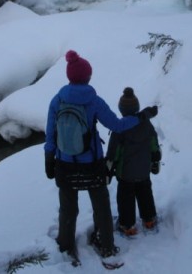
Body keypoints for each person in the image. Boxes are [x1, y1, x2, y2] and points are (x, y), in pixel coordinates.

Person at [44, 50, 157, 262]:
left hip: (65, 164)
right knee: (101, 206)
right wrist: (140, 117)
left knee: (68, 208)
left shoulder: (57, 100)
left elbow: (50, 133)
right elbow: (116, 125)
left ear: (69, 77)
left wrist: (49, 158)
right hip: (91, 163)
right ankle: (106, 246)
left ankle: (65, 246)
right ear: (87, 77)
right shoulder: (94, 101)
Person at [106, 87, 161, 236]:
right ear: (136, 107)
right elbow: (154, 144)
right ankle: (149, 220)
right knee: (145, 194)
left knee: (126, 198)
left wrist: (108, 170)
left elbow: (113, 153)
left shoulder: (120, 128)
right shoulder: (146, 124)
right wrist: (155, 159)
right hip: (143, 170)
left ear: (121, 109)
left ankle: (127, 225)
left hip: (126, 174)